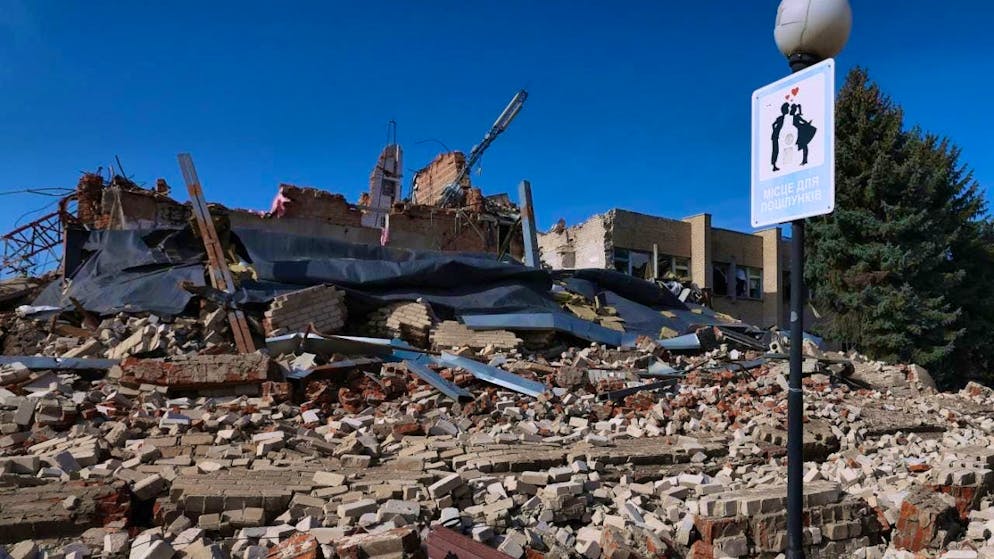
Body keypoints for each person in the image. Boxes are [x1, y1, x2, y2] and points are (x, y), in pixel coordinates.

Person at [771, 102, 789, 172]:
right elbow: (773, 124)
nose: (788, 110)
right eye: (787, 109)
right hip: (775, 136)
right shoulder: (780, 118)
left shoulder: (784, 118)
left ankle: (775, 165)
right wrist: (776, 132)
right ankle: (774, 165)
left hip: (777, 136)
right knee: (775, 150)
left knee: (777, 150)